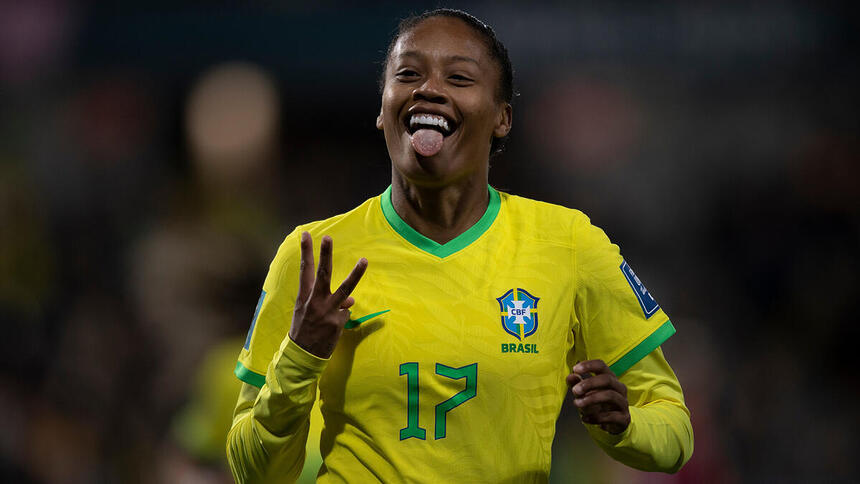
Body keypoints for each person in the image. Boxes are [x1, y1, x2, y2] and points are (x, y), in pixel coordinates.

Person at [227, 8, 693, 483]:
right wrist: (301, 356)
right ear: (382, 106)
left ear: (502, 118)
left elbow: (674, 434)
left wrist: (625, 425)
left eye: (459, 77)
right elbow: (252, 472)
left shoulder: (569, 244)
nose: (428, 88)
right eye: (408, 73)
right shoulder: (312, 257)